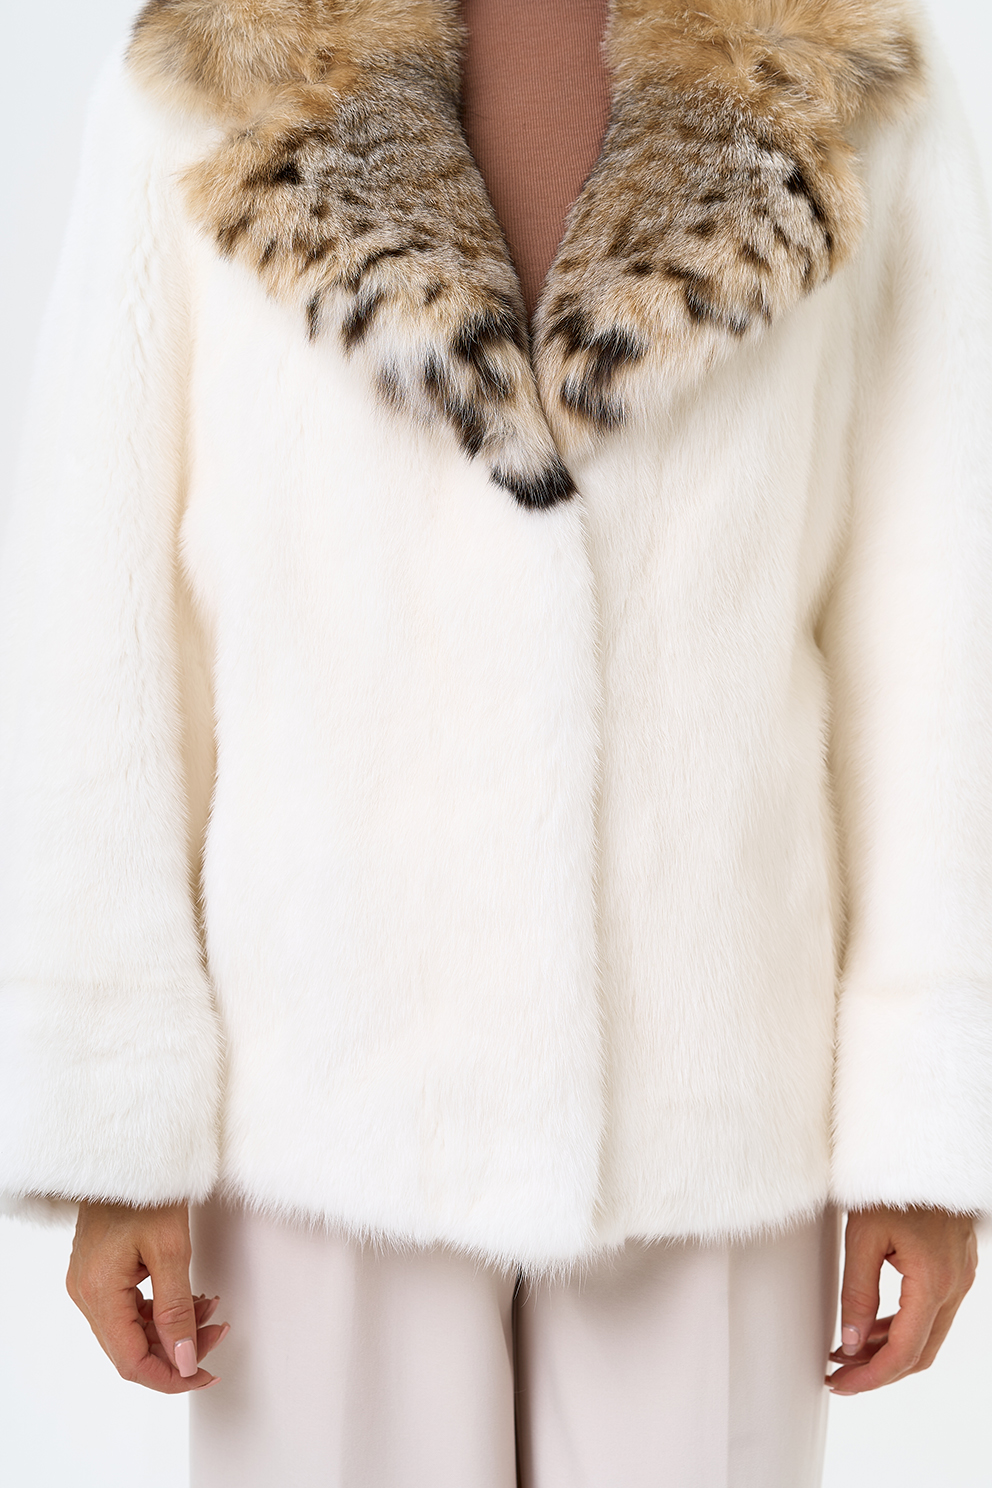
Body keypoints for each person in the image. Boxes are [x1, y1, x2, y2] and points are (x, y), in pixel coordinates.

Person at [0, 1, 988, 1483]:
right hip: (322, 1074)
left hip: (711, 1077)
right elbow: (103, 607)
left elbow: (938, 617)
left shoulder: (836, 63)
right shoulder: (217, 64)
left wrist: (925, 1127)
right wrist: (113, 1124)